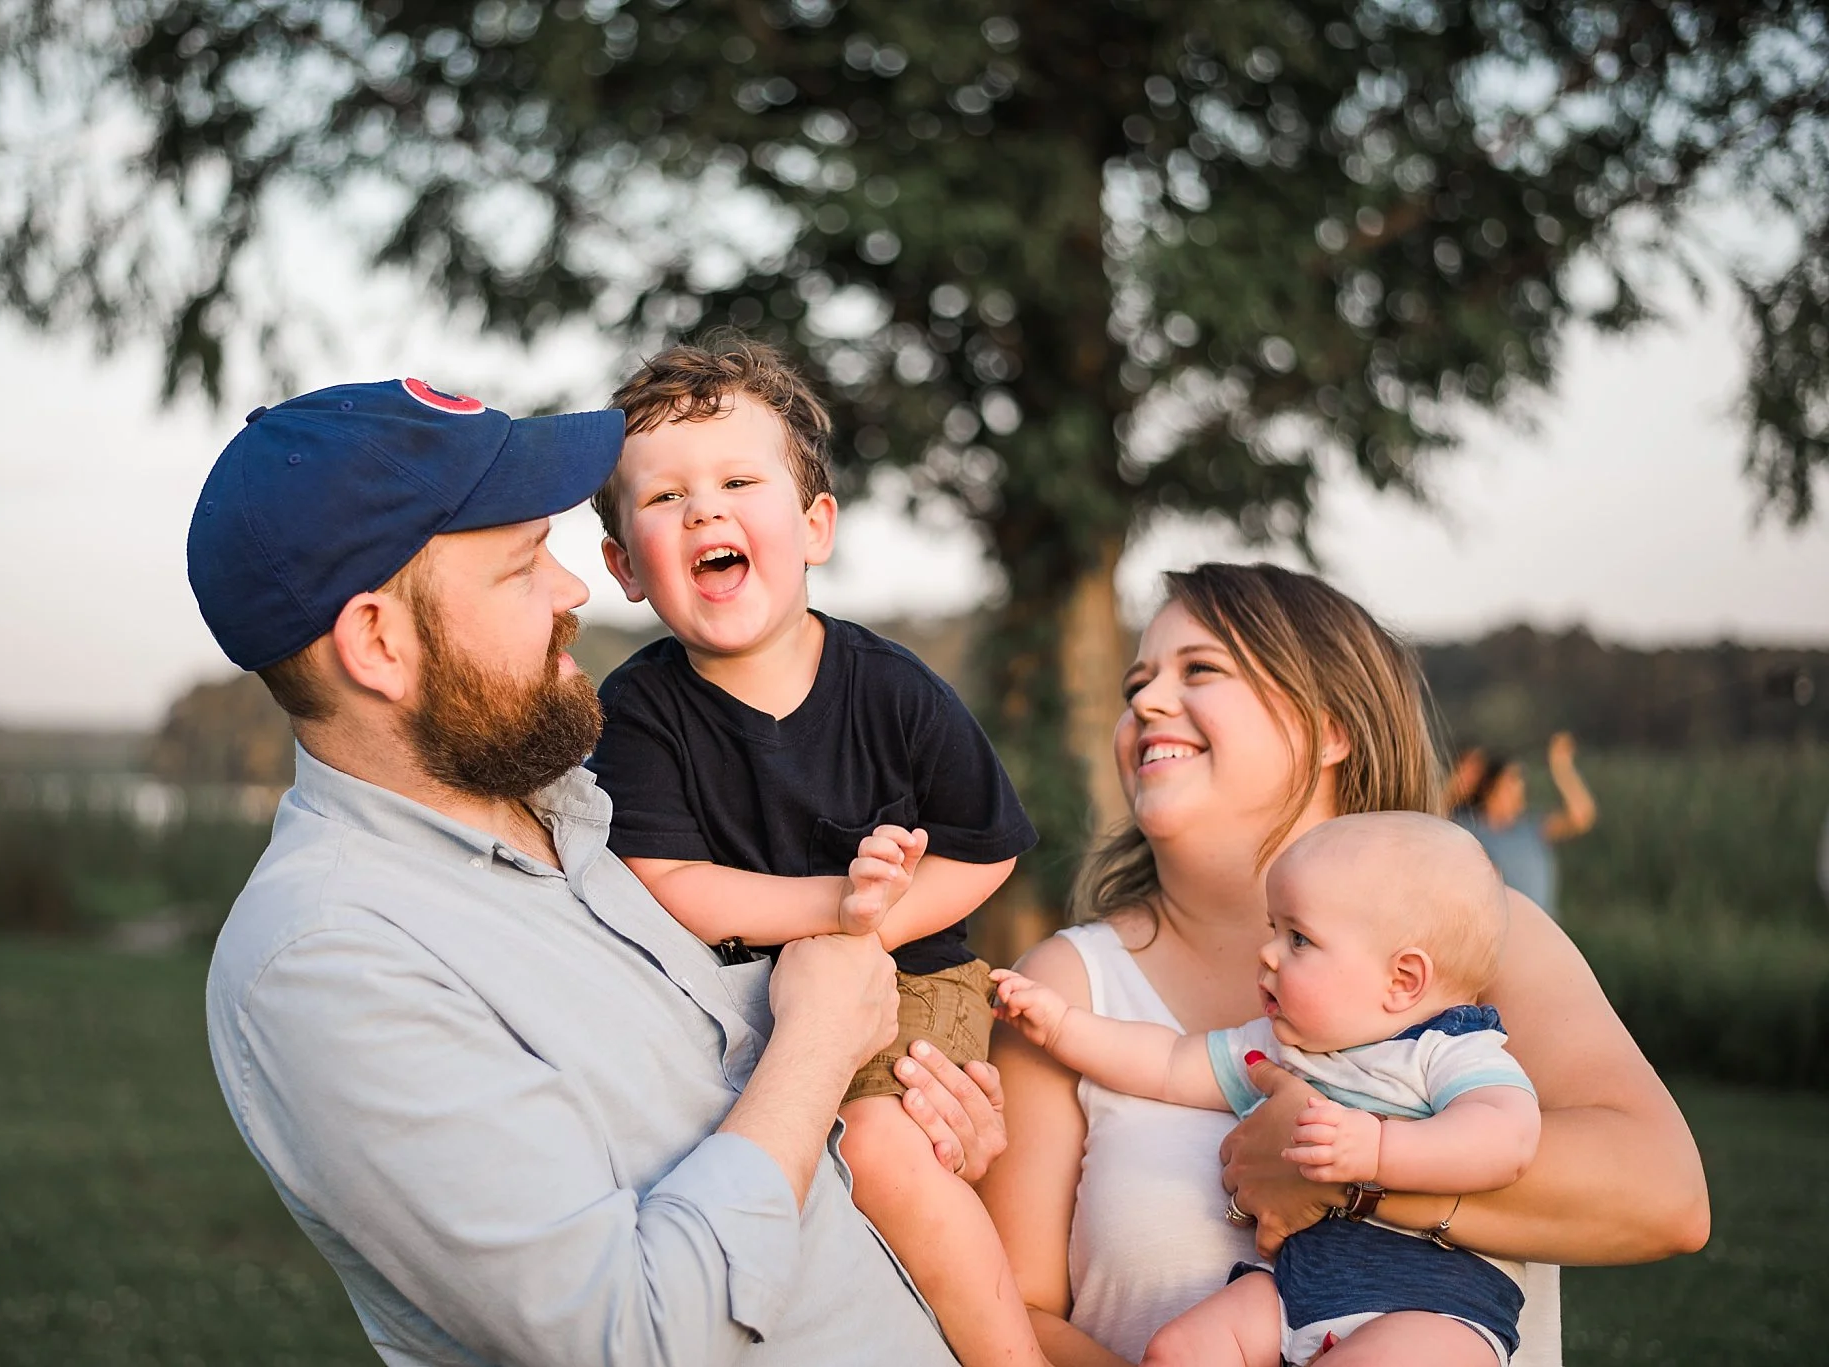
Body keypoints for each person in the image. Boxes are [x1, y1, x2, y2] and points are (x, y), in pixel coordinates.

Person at [189, 378, 1008, 1367]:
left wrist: (922, 1122)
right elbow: (633, 1337)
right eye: (521, 566)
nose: (571, 589)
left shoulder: (595, 796)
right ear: (377, 641)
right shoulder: (330, 962)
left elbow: (765, 1118)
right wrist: (820, 1045)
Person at [979, 562, 1709, 1367]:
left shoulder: (1477, 939)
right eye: (1136, 682)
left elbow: (1667, 1197)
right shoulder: (1065, 986)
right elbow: (1013, 1316)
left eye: (1200, 669)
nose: (1146, 701)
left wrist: (1350, 1178)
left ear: (1330, 727)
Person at [584, 337, 1047, 1367]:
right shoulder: (639, 713)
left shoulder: (894, 689)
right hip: (752, 1002)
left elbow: (985, 850)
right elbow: (669, 882)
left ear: (814, 526)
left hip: (911, 975)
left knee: (878, 1147)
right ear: (623, 566)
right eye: (664, 497)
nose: (702, 512)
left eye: (737, 483)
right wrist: (836, 904)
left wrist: (871, 926)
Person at [993, 812, 1541, 1367]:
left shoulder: (1448, 1049)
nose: (1267, 953)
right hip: (1296, 1291)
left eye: (1298, 938)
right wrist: (1063, 1027)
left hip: (1430, 1306)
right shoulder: (1284, 1049)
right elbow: (1168, 1062)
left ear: (1403, 980)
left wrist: (1378, 1148)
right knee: (1178, 1349)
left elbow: (1508, 1136)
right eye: (1273, 929)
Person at [1450, 735, 1597, 919]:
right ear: (1490, 787)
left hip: (1539, 925)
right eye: (1510, 784)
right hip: (1498, 926)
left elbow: (1581, 817)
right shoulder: (1469, 827)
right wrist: (1459, 782)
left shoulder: (1530, 828)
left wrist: (1561, 768)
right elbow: (1431, 817)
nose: (1517, 792)